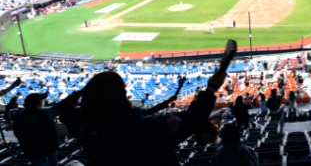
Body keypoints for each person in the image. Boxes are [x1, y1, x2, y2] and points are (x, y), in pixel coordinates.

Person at [60, 69, 226, 166]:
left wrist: (84, 95)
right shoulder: (142, 128)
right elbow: (192, 120)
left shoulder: (86, 130)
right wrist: (211, 88)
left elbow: (66, 114)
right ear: (120, 98)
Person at [13, 91, 82, 166]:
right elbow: (62, 106)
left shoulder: (19, 117)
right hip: (48, 147)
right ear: (38, 104)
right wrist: (76, 95)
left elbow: (17, 133)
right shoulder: (44, 114)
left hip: (30, 148)